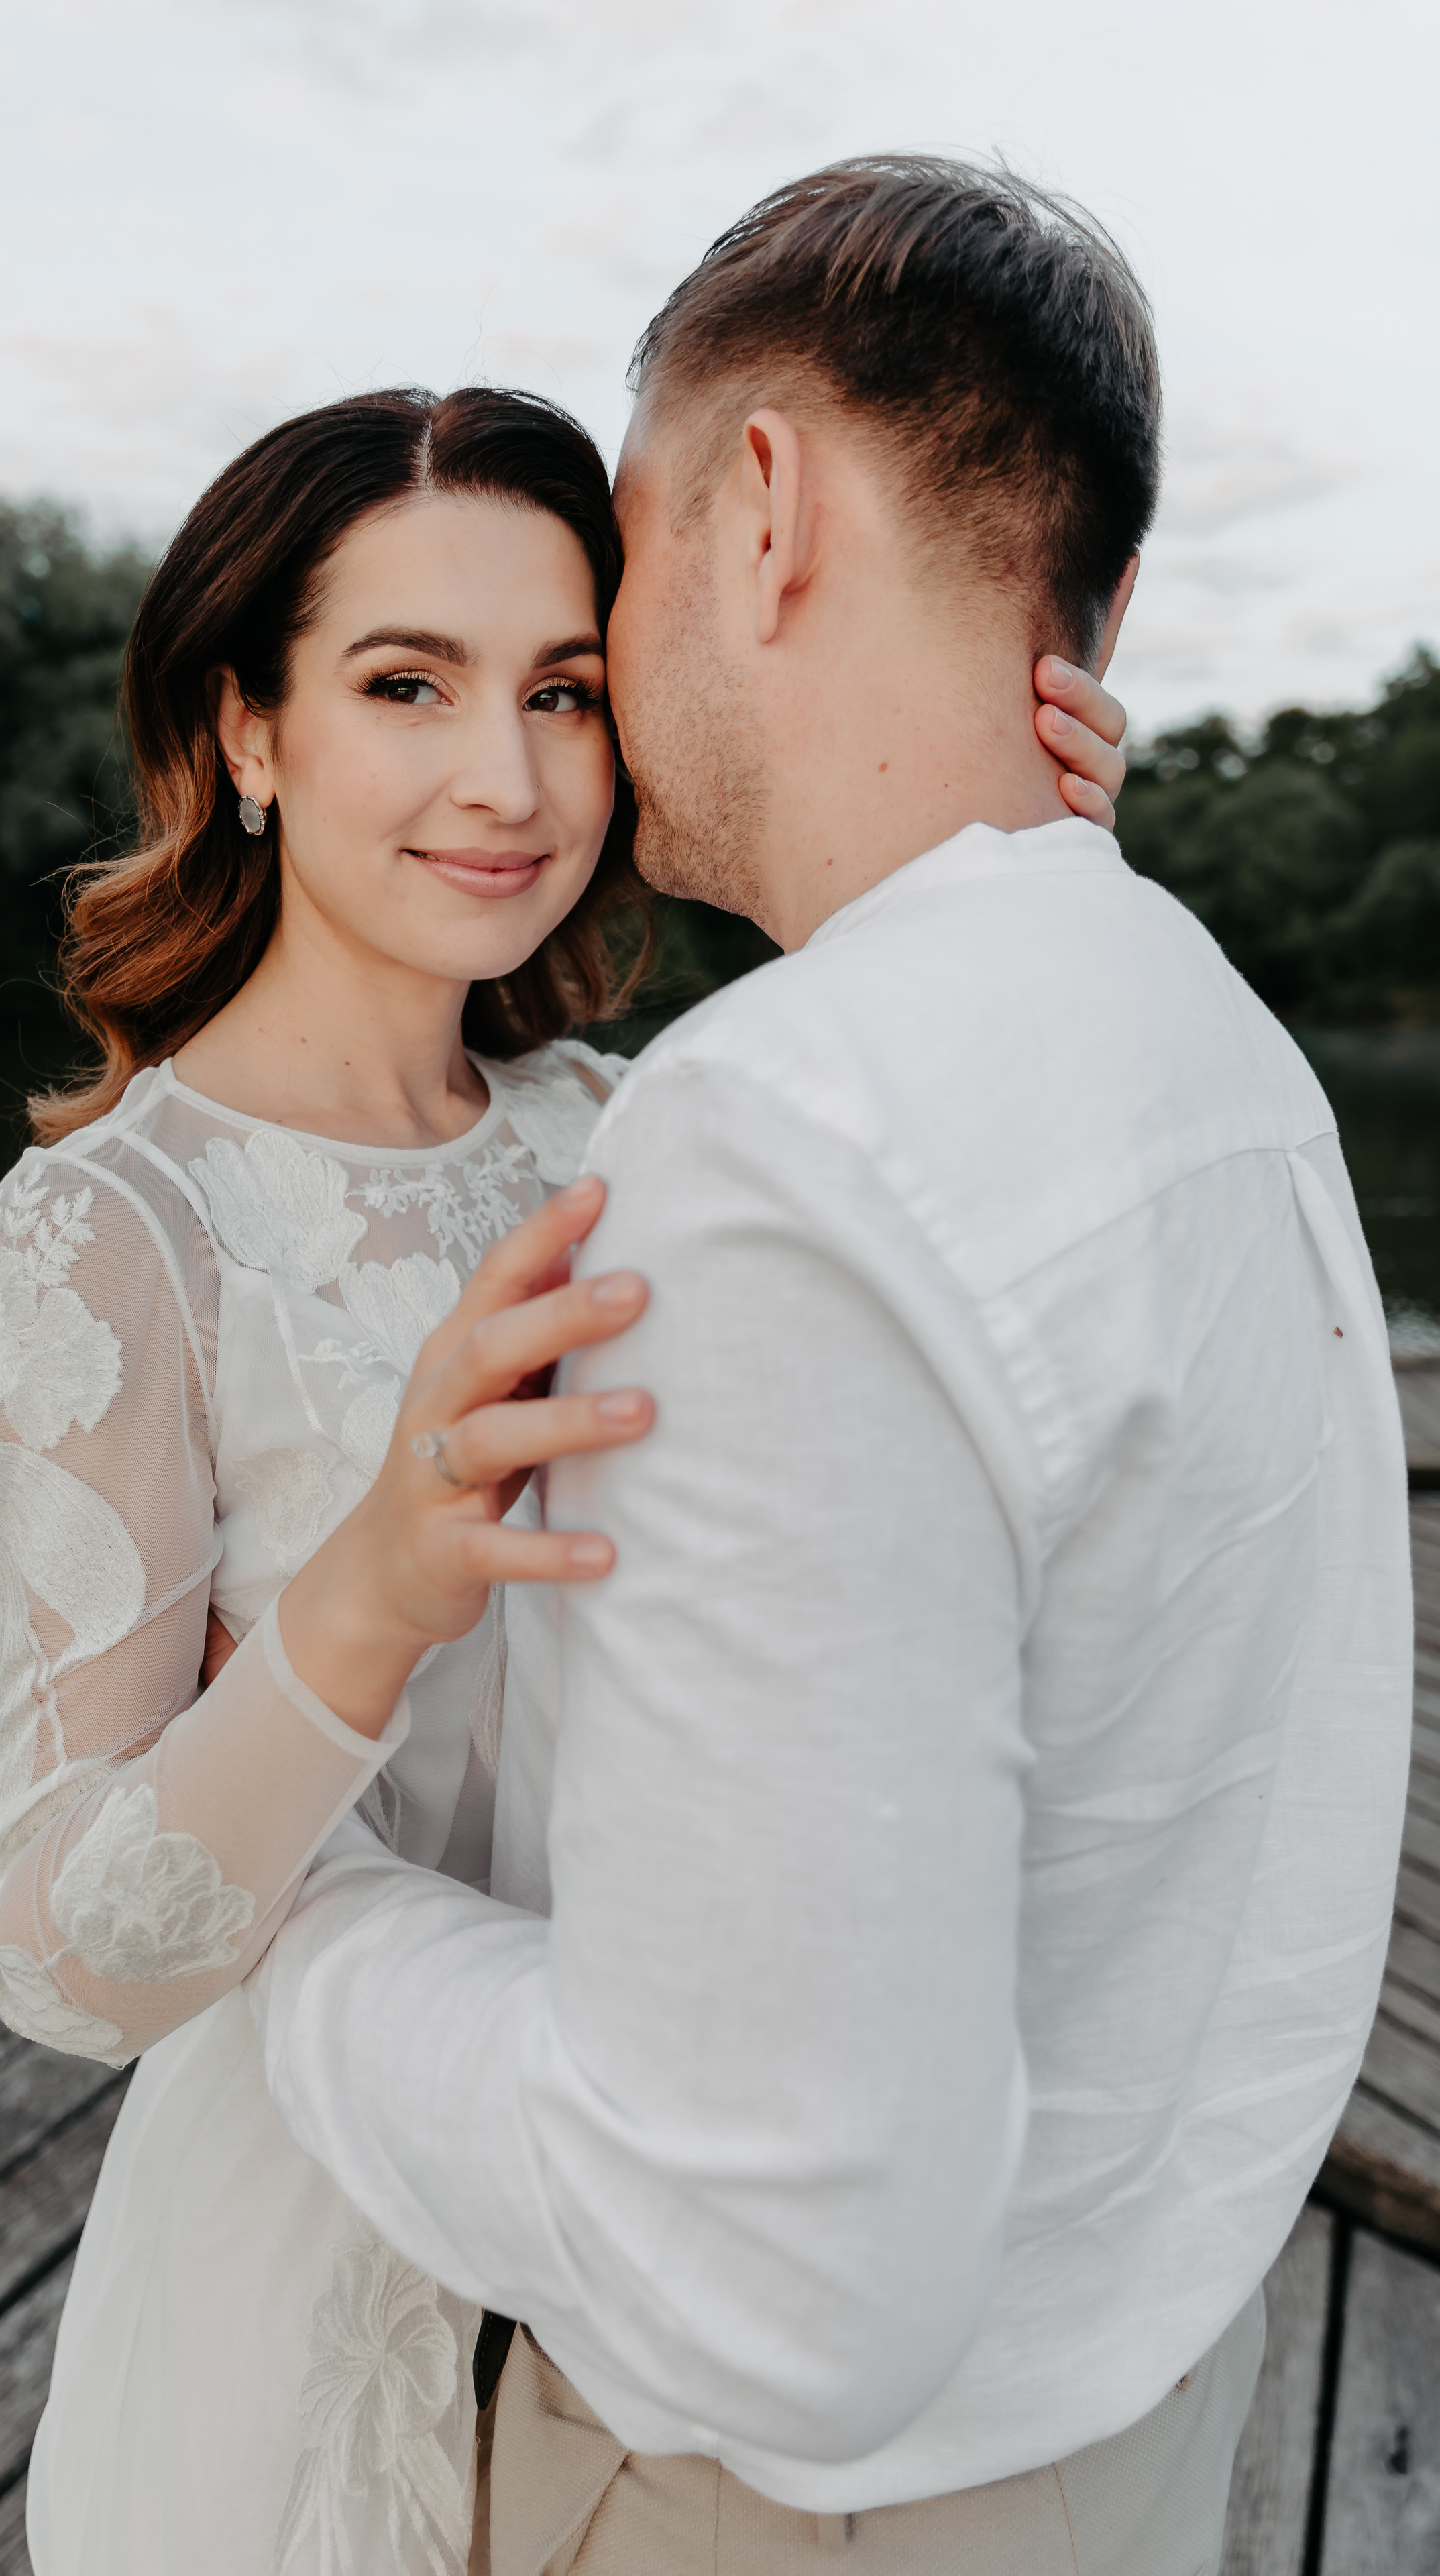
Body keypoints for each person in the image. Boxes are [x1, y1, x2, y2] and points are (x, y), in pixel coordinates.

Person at [249, 160, 1414, 2575]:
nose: (574, 697)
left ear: (761, 510)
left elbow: (769, 2280)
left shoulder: (791, 1141)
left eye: (628, 564)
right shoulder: (1218, 1047)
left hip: (789, 2514)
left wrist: (306, 1930)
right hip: (1138, 2400)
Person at [0, 381, 1124, 2573]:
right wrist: (367, 1594)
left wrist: (1033, 890)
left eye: (566, 692)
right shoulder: (120, 1232)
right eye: (407, 683)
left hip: (665, 2247)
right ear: (249, 731)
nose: (506, 779)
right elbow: (53, 1957)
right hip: (307, 2279)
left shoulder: (635, 1133)